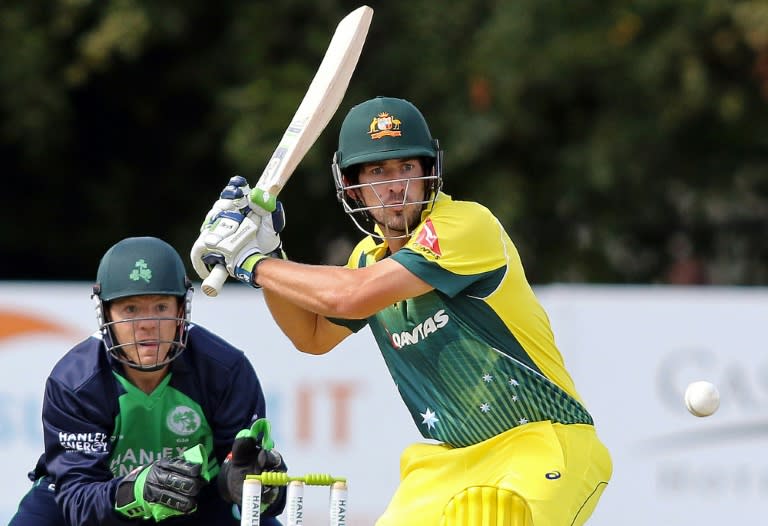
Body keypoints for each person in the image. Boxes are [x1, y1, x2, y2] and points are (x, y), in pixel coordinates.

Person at [191, 96, 613, 525]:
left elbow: (351, 296)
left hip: (540, 443)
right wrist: (268, 249)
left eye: (407, 168)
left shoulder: (466, 225)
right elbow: (311, 336)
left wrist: (251, 263)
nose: (395, 186)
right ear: (352, 186)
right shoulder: (365, 259)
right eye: (378, 172)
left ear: (429, 173)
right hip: (450, 464)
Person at [10, 236, 286, 526]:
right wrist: (135, 490)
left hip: (197, 501)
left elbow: (261, 490)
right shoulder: (75, 381)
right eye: (130, 309)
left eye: (161, 307)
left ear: (181, 310)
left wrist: (254, 485)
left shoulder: (226, 371)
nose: (146, 324)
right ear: (105, 313)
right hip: (103, 497)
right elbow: (78, 499)